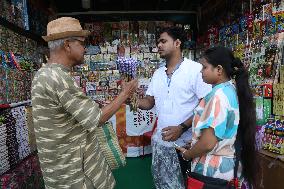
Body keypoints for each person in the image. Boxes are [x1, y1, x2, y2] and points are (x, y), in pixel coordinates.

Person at [31, 17, 138, 189]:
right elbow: (97, 119)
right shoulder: (57, 77)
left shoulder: (47, 74)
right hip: (75, 173)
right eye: (81, 43)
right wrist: (125, 93)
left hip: (66, 168)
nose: (85, 48)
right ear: (67, 45)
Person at [138, 27, 211, 189]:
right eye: (158, 42)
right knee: (163, 184)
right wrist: (131, 99)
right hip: (161, 144)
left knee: (186, 184)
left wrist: (182, 127)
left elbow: (205, 105)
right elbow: (149, 102)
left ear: (177, 43)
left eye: (163, 41)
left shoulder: (195, 70)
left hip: (187, 146)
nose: (159, 45)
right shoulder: (157, 74)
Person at [177, 46, 259, 188]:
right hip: (225, 166)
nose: (201, 71)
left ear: (219, 70)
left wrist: (188, 154)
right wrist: (196, 142)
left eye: (204, 67)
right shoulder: (230, 90)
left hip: (212, 170)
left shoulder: (218, 97)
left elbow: (208, 143)